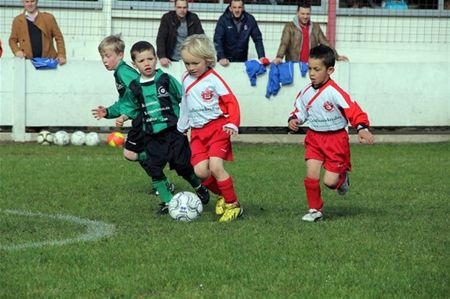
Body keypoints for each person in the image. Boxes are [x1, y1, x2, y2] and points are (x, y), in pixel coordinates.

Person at [110, 40, 210, 213]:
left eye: (150, 58)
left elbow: (184, 96)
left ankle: (199, 186)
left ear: (156, 59)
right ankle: (168, 203)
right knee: (154, 168)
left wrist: (195, 117)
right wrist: (123, 116)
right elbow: (131, 106)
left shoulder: (164, 79)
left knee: (183, 166)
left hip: (174, 132)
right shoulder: (135, 87)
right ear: (134, 64)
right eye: (141, 61)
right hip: (152, 136)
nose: (146, 63)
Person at [287, 45, 374, 222]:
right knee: (311, 174)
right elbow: (300, 110)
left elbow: (353, 110)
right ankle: (315, 210)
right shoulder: (305, 92)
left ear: (330, 70)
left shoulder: (335, 92)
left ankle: (342, 178)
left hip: (336, 140)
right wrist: (294, 119)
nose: (312, 73)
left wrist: (362, 128)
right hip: (314, 138)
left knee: (329, 182)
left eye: (317, 69)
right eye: (310, 68)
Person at [91, 34, 175, 198]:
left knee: (131, 153)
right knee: (131, 153)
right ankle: (162, 181)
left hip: (143, 119)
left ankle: (163, 182)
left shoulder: (123, 72)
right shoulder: (120, 72)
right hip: (141, 118)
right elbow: (126, 100)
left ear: (120, 55)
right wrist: (109, 112)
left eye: (108, 56)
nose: (104, 60)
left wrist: (125, 115)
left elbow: (140, 93)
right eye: (102, 57)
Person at [178, 34, 243, 222]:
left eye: (194, 63)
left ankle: (233, 205)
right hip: (197, 133)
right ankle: (223, 195)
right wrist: (182, 126)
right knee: (200, 172)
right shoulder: (185, 79)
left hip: (217, 128)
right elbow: (185, 104)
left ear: (207, 60)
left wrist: (232, 123)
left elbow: (231, 101)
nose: (190, 68)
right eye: (187, 63)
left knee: (215, 166)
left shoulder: (214, 79)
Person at [274, 1, 348, 67]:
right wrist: (279, 57)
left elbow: (326, 44)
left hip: (312, 66)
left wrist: (337, 56)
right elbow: (284, 43)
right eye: (302, 14)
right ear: (297, 13)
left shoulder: (315, 27)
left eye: (308, 14)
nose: (305, 16)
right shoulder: (289, 27)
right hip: (294, 65)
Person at [9, 0, 66, 65]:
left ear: (37, 1)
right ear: (22, 2)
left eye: (32, 1)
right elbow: (12, 40)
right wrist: (17, 51)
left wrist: (61, 55)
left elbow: (59, 38)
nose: (30, 4)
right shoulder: (17, 20)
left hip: (48, 62)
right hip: (28, 62)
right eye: (27, 1)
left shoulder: (48, 18)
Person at [213, 0, 266, 66]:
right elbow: (217, 39)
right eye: (234, 7)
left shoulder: (250, 20)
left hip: (242, 60)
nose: (237, 10)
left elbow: (257, 39)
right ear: (230, 8)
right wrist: (221, 57)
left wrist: (261, 56)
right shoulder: (223, 19)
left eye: (239, 7)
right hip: (225, 60)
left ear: (243, 8)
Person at [156, 0, 204, 68]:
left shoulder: (193, 18)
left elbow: (201, 38)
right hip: (171, 58)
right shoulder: (167, 18)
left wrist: (202, 56)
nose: (182, 10)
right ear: (175, 7)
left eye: (184, 7)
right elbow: (161, 38)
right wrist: (162, 56)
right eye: (179, 7)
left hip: (190, 57)